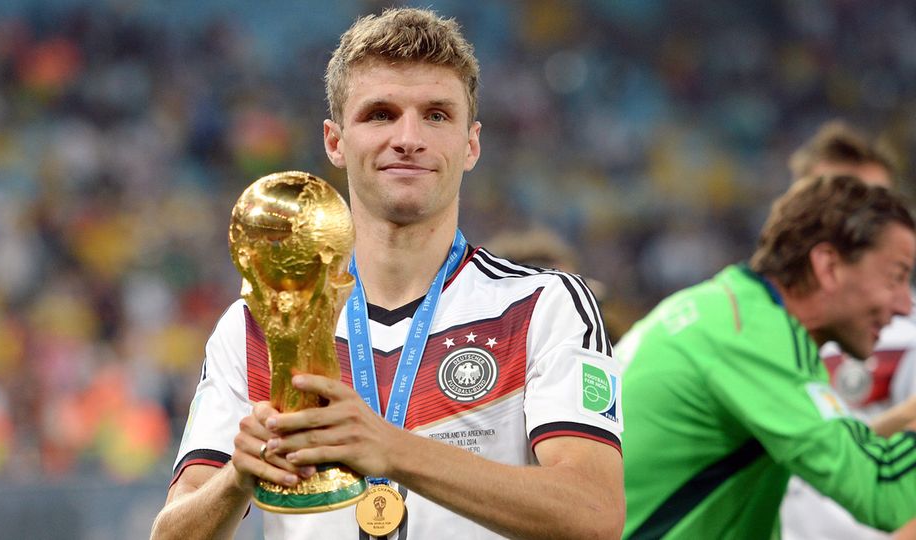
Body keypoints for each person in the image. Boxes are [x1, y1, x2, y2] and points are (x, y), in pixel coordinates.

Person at [150, 8, 624, 540]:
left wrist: (392, 449)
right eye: (380, 114)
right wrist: (237, 477)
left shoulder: (543, 305)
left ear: (471, 144)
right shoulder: (259, 325)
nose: (408, 138)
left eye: (437, 115)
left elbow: (596, 515)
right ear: (334, 141)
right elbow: (171, 533)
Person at [616, 174, 916, 539]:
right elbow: (884, 491)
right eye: (895, 277)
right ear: (828, 266)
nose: (904, 304)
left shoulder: (727, 309)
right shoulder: (753, 340)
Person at [780, 121, 916, 539]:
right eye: (829, 195)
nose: (846, 219)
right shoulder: (748, 326)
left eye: (871, 203)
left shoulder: (906, 332)